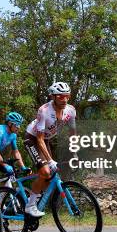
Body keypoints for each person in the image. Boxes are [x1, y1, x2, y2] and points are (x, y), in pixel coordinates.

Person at [23, 82, 77, 217]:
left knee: (51, 175)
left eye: (67, 96)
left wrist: (74, 152)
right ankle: (30, 205)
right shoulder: (44, 110)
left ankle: (38, 199)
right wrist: (50, 160)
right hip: (32, 138)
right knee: (46, 171)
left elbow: (73, 133)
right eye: (60, 96)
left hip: (45, 140)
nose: (64, 99)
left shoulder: (71, 111)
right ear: (53, 96)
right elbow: (39, 139)